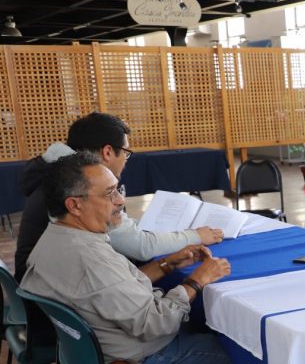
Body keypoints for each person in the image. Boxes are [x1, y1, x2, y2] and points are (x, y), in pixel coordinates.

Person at [20, 152, 252, 364]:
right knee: (250, 361)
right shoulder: (91, 259)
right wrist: (197, 281)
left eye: (119, 189)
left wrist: (167, 264)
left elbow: (113, 292)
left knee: (208, 330)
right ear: (75, 204)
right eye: (109, 193)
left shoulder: (56, 238)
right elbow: (155, 324)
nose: (120, 201)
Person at [15, 111, 222, 280]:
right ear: (107, 152)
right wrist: (196, 236)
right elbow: (140, 246)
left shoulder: (60, 171)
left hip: (44, 282)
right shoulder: (73, 184)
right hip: (52, 293)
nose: (126, 159)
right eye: (126, 152)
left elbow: (123, 232)